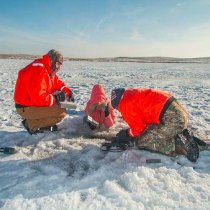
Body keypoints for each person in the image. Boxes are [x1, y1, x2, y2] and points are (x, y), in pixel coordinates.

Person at [108, 87, 202, 162]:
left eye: (117, 109)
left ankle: (178, 144)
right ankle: (179, 132)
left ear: (118, 104)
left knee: (141, 142)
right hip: (181, 114)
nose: (119, 111)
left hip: (174, 120)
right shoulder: (133, 94)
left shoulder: (124, 104)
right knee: (150, 131)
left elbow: (138, 130)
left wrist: (128, 133)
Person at [14, 49, 74, 134]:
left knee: (61, 108)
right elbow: (39, 98)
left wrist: (68, 91)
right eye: (58, 64)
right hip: (25, 107)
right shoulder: (39, 70)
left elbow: (56, 83)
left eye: (60, 65)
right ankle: (31, 124)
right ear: (52, 60)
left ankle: (35, 121)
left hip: (30, 104)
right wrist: (55, 98)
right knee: (61, 112)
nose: (59, 68)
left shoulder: (47, 68)